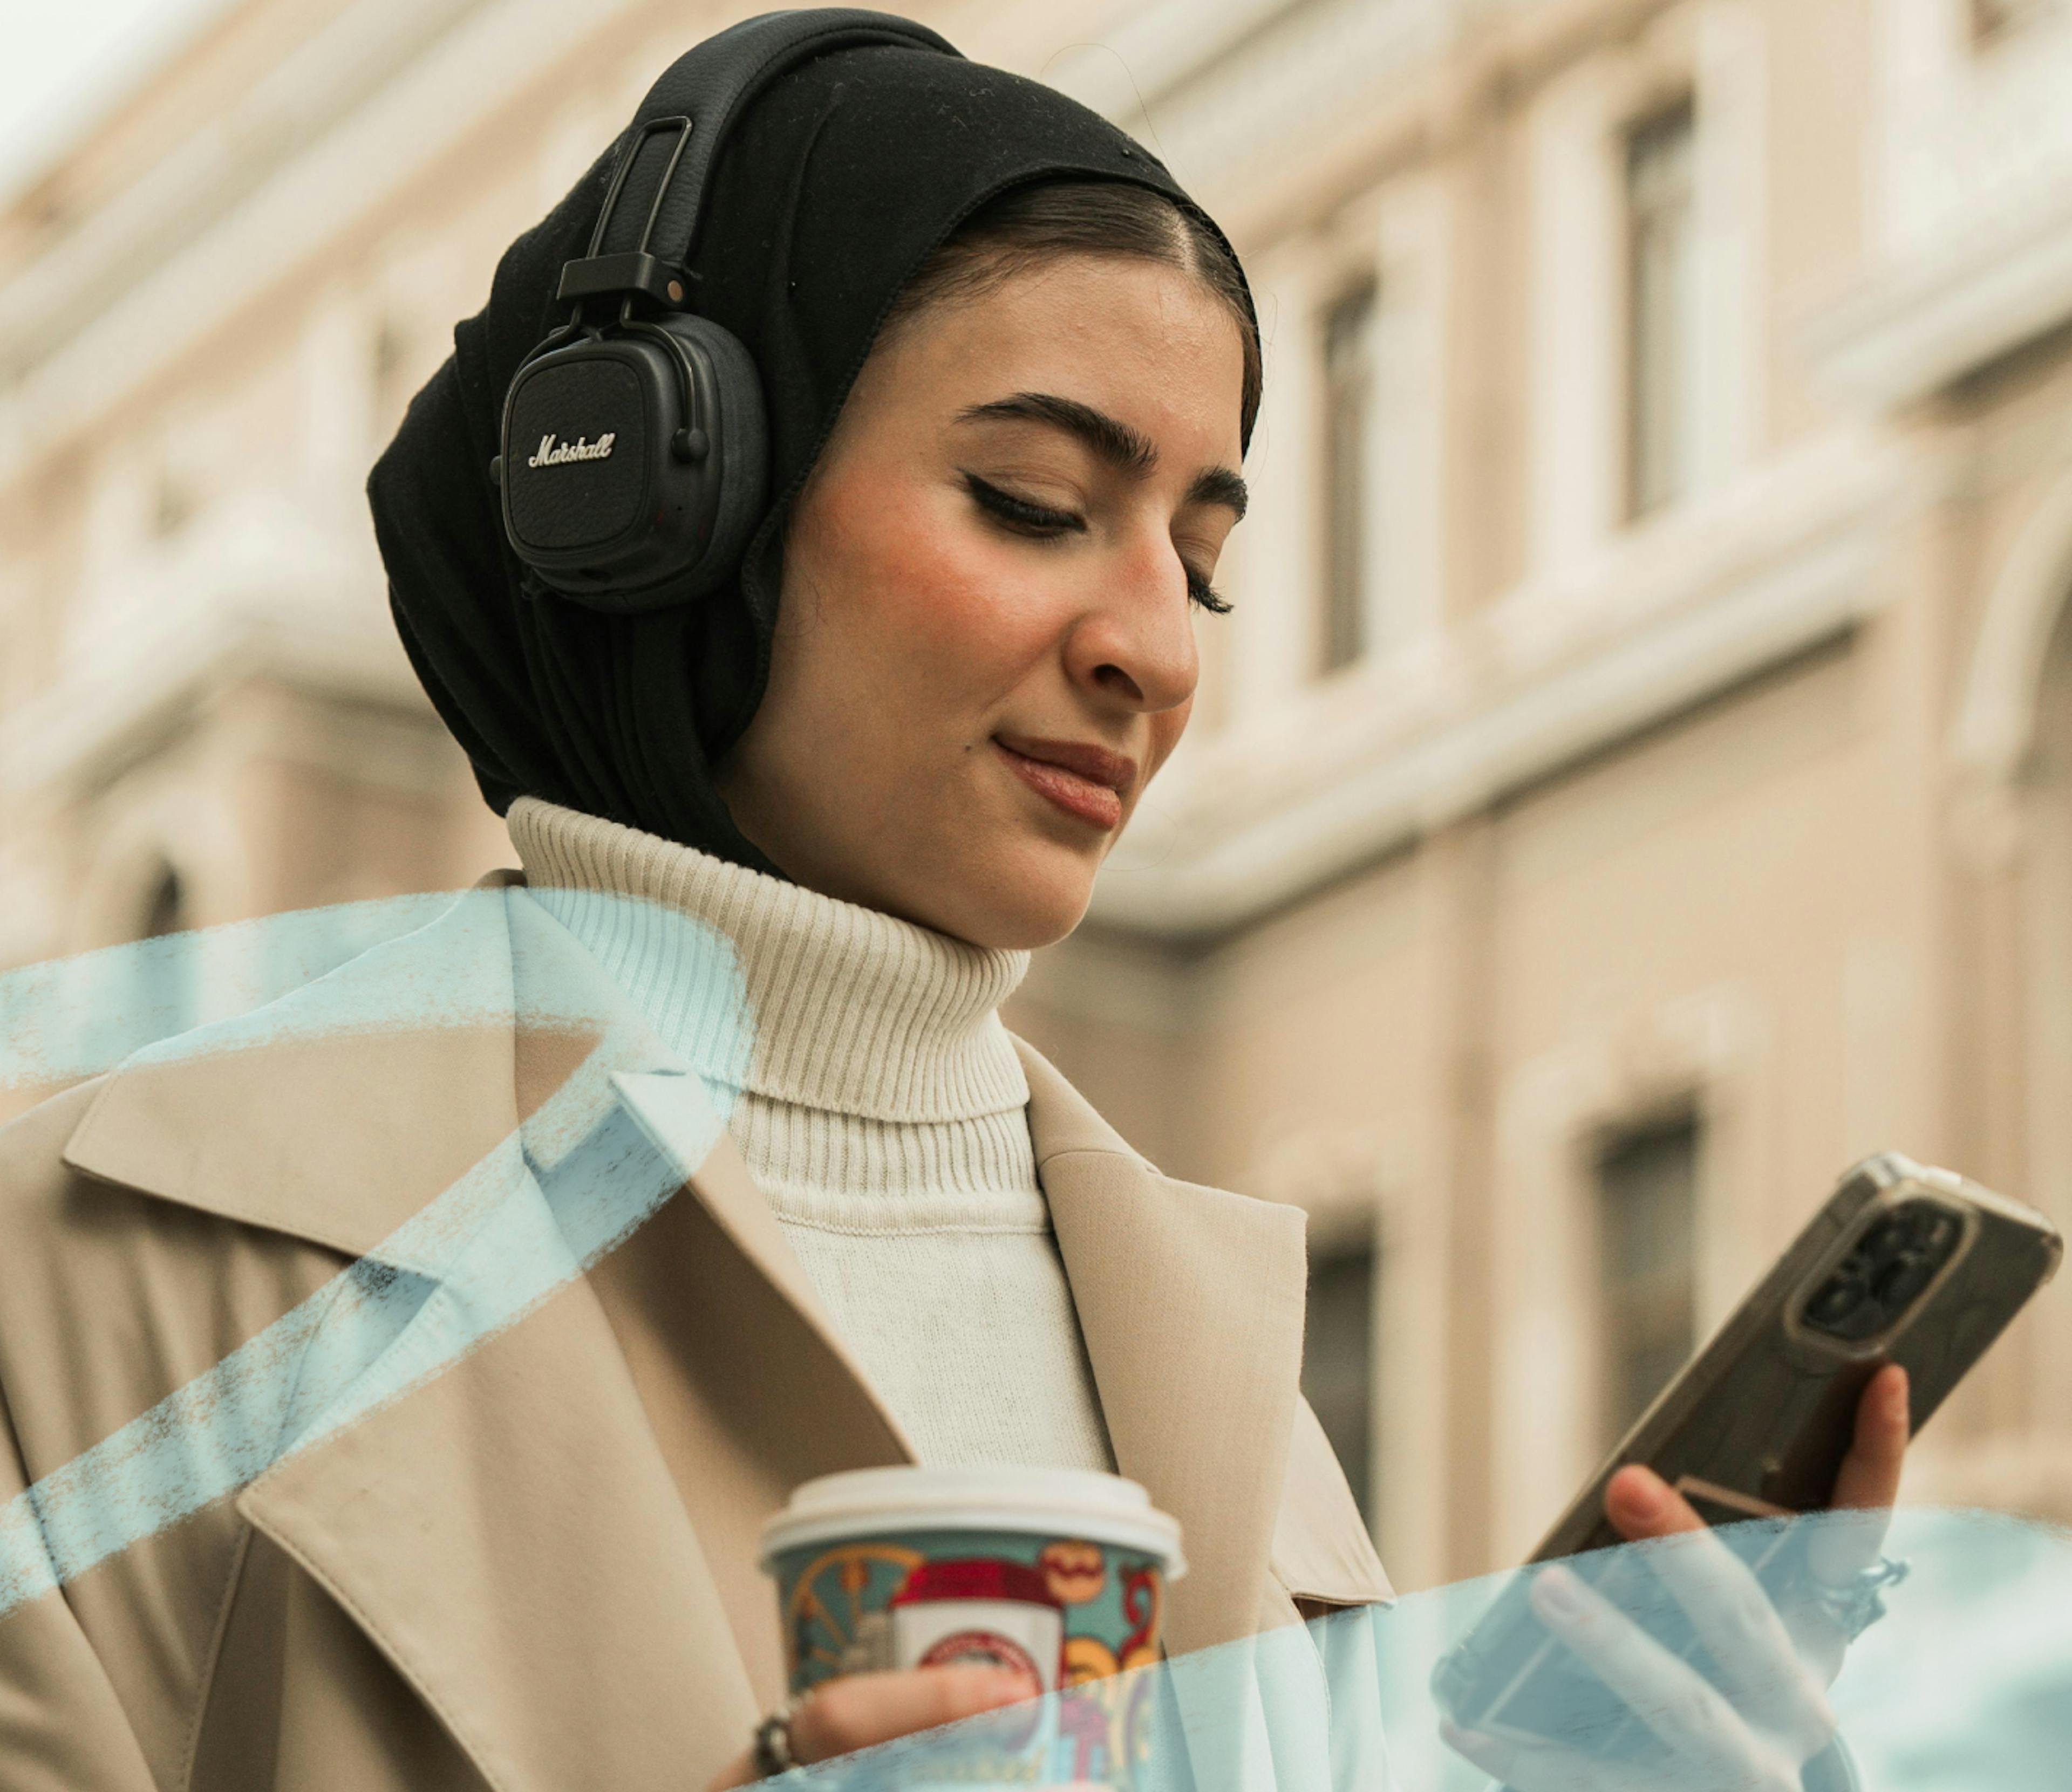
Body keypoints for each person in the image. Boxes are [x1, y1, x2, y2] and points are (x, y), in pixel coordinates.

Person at [0, 16, 1905, 1791]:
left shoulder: (1250, 1416)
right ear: (670, 502)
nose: (1155, 646)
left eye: (1207, 562)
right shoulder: (79, 1288)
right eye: (1029, 499)